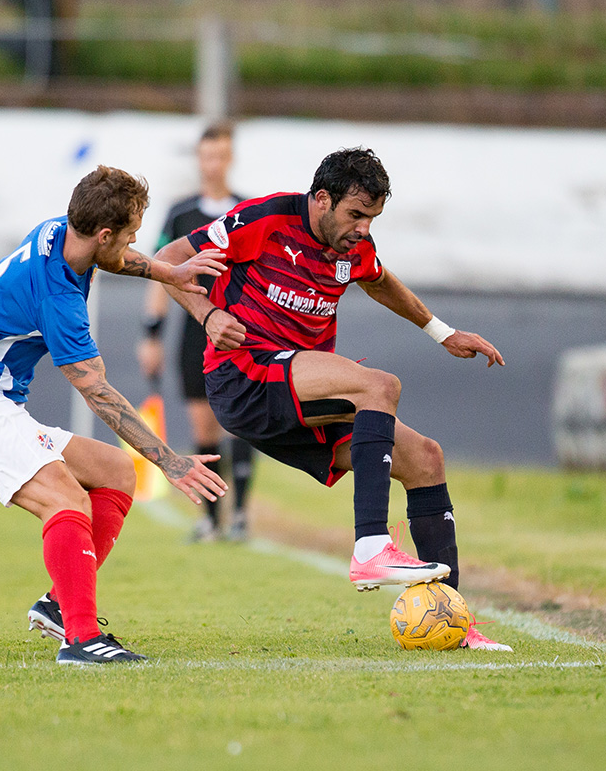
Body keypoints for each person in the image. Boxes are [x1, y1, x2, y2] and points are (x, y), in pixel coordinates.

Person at [153, 147, 513, 651]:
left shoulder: (354, 248)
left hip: (300, 396)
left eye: (372, 218)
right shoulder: (266, 218)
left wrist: (442, 332)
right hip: (244, 378)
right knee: (379, 386)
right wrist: (210, 316)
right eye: (356, 215)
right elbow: (169, 260)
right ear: (321, 200)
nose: (363, 229)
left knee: (426, 458)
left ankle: (454, 622)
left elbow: (381, 282)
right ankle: (370, 544)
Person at [0, 165, 229, 665]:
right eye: (129, 235)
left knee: (112, 472)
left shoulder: (58, 232)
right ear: (104, 233)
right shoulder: (59, 300)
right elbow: (100, 395)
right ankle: (82, 640)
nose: (135, 245)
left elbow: (113, 258)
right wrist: (170, 461)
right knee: (66, 499)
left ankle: (59, 606)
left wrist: (166, 272)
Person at [138, 122, 256, 542]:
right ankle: (211, 518)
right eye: (207, 156)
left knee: (240, 423)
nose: (213, 165)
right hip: (193, 333)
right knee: (203, 427)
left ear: (230, 159)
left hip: (242, 332)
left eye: (221, 156)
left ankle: (240, 514)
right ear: (198, 159)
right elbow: (160, 273)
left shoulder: (247, 211)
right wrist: (151, 334)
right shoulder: (180, 213)